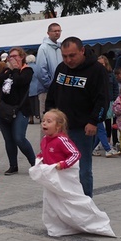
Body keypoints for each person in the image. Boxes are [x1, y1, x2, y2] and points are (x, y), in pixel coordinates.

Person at [29, 109, 115, 238]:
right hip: (52, 179)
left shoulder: (62, 140)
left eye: (48, 121)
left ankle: (94, 222)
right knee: (51, 202)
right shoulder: (45, 140)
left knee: (72, 200)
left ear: (58, 126)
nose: (44, 124)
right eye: (43, 121)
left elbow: (75, 154)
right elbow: (44, 152)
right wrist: (40, 158)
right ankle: (59, 225)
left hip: (63, 177)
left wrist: (63, 164)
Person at [45, 37, 109, 197]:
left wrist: (94, 121)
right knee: (58, 165)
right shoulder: (61, 68)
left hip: (82, 128)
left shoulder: (97, 70)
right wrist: (48, 115)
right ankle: (64, 198)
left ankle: (85, 201)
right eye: (64, 56)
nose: (68, 60)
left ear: (82, 51)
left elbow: (102, 99)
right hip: (60, 128)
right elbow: (52, 93)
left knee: (82, 168)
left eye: (72, 55)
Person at [0, 47, 36, 175]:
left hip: (20, 110)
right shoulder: (7, 70)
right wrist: (9, 71)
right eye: (10, 57)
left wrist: (16, 69)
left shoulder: (27, 70)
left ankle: (34, 163)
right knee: (8, 139)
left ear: (22, 57)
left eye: (15, 56)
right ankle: (13, 165)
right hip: (4, 110)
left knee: (19, 138)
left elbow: (20, 81)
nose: (12, 59)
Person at [31, 23, 63, 119]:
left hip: (60, 88)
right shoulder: (43, 48)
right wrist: (49, 84)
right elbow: (41, 69)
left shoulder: (60, 47)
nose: (57, 33)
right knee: (47, 118)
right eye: (55, 31)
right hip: (46, 89)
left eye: (59, 31)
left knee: (59, 118)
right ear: (48, 33)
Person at [91, 55, 121, 157]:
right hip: (96, 105)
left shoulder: (110, 75)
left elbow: (115, 88)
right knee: (101, 128)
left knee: (100, 128)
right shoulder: (93, 76)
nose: (101, 66)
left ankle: (92, 148)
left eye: (103, 64)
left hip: (107, 102)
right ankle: (107, 149)